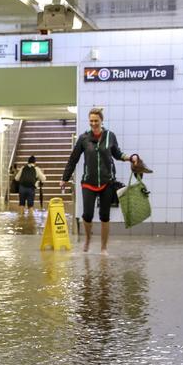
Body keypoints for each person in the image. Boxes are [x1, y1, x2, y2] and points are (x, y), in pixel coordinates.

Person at [61, 107, 136, 255]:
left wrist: (131, 157)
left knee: (104, 215)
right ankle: (88, 239)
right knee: (87, 214)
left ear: (101, 120)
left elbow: (117, 154)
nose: (93, 123)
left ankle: (103, 247)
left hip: (107, 182)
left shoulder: (110, 136)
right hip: (88, 182)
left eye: (96, 120)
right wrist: (65, 178)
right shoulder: (83, 138)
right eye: (91, 121)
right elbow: (73, 159)